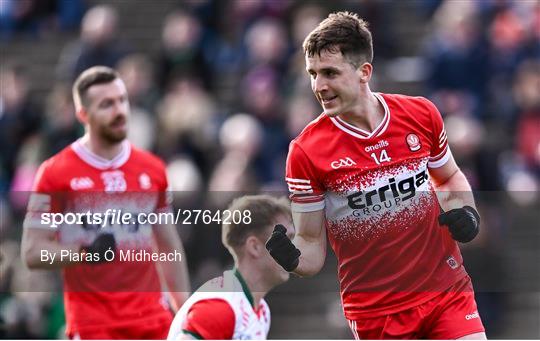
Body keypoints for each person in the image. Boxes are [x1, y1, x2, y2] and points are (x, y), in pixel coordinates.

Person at [265, 12, 487, 340]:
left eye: (329, 73)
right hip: (377, 313)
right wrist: (292, 258)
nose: (318, 86)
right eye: (312, 74)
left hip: (447, 290)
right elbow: (311, 246)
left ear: (364, 72)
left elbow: (450, 176)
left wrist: (465, 211)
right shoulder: (306, 151)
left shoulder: (420, 114)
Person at [21, 66, 190, 339]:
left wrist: (185, 314)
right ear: (83, 115)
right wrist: (84, 252)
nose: (119, 110)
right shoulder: (55, 173)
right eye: (106, 104)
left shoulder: (153, 168)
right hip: (94, 326)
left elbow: (168, 246)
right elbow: (32, 253)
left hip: (153, 320)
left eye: (122, 100)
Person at [168, 195, 293, 340]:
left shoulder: (261, 310)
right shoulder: (220, 307)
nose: (293, 249)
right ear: (254, 247)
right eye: (286, 239)